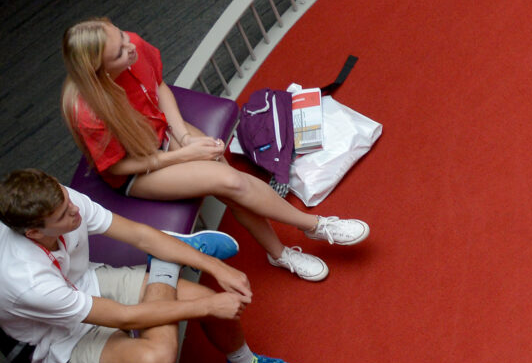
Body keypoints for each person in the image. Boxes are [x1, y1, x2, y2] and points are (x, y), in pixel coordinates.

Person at [61, 20, 369, 282]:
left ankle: (279, 253)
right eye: (119, 51)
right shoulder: (88, 112)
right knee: (231, 181)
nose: (131, 46)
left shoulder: (133, 46)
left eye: (123, 36)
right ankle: (314, 226)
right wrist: (184, 154)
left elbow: (160, 88)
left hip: (166, 134)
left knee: (231, 185)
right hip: (137, 170)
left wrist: (184, 135)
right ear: (99, 71)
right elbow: (117, 168)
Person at [0, 167, 310, 363]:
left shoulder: (63, 201)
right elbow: (123, 318)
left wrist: (214, 266)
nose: (75, 213)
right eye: (64, 216)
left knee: (204, 295)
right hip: (52, 337)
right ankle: (166, 264)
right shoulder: (26, 280)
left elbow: (138, 234)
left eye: (68, 202)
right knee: (158, 358)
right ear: (34, 232)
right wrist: (207, 303)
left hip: (82, 280)